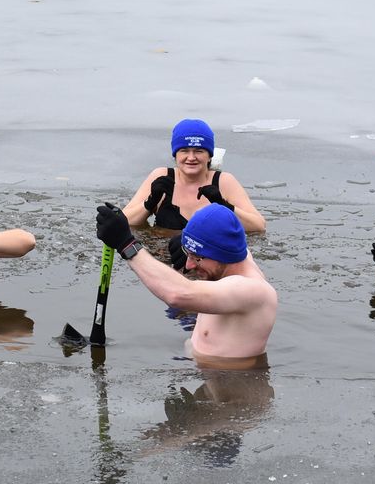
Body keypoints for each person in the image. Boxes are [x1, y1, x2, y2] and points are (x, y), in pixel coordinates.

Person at [96, 202, 277, 364]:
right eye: (187, 254)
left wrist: (126, 245)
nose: (189, 265)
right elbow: (223, 235)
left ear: (222, 256)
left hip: (232, 389)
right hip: (203, 377)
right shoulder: (232, 256)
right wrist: (192, 242)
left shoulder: (253, 290)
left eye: (196, 258)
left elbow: (178, 294)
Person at [122, 118, 266, 234]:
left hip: (208, 264)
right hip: (165, 260)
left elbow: (258, 226)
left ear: (209, 156)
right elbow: (123, 222)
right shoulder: (161, 176)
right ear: (175, 155)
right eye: (184, 150)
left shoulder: (223, 181)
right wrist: (150, 202)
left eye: (199, 151)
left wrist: (224, 206)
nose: (191, 157)